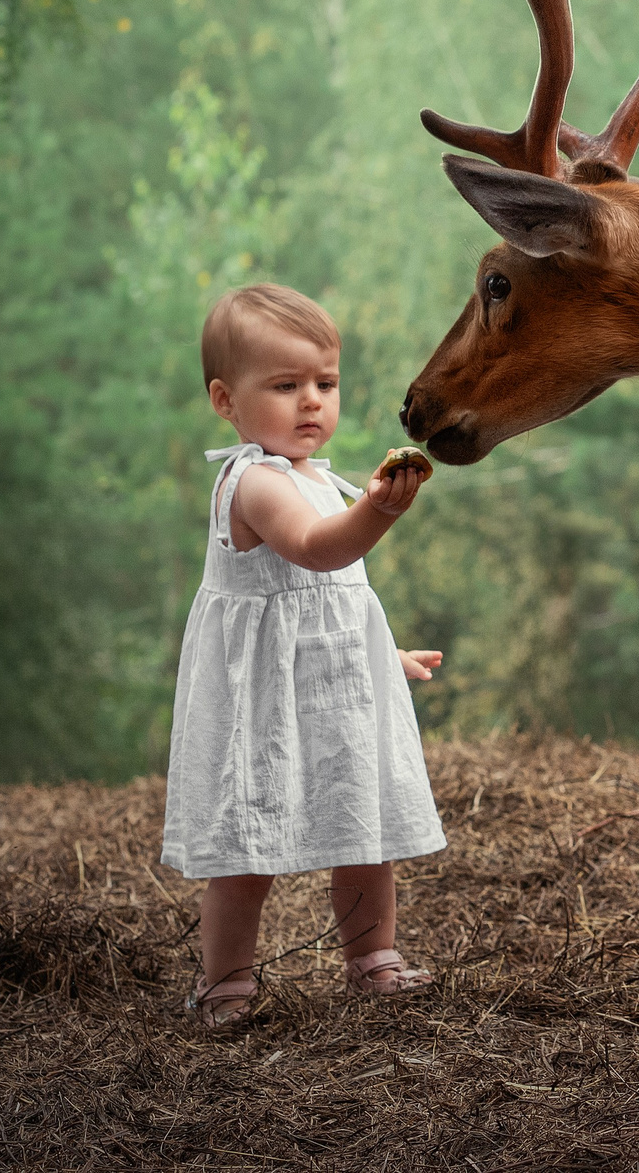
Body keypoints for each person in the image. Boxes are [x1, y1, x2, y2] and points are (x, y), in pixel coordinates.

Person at [161, 283, 446, 1027]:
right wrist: (379, 511)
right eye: (285, 386)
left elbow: (340, 601)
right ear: (226, 400)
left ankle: (372, 957)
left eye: (325, 383)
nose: (311, 401)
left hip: (333, 688)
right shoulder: (255, 482)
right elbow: (319, 554)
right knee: (247, 847)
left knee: (363, 826)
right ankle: (225, 984)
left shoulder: (322, 478)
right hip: (261, 699)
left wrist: (388, 655)